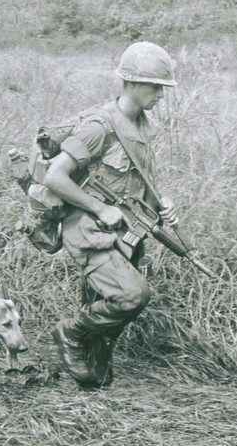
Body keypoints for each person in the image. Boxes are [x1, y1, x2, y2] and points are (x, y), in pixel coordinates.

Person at [42, 42, 179, 388]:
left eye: (163, 87)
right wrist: (102, 208)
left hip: (124, 231)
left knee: (105, 319)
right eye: (154, 86)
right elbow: (55, 176)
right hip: (90, 229)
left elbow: (135, 180)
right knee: (132, 295)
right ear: (130, 83)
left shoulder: (144, 127)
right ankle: (69, 333)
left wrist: (161, 205)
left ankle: (93, 374)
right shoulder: (99, 126)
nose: (160, 94)